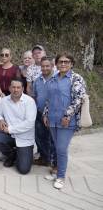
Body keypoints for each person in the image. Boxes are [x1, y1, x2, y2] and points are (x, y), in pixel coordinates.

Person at [43, 53, 86, 189]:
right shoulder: (53, 78)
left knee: (61, 149)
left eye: (66, 62)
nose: (63, 64)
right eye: (60, 61)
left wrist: (67, 116)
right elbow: (48, 98)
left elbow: (79, 99)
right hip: (53, 119)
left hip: (67, 121)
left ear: (71, 64)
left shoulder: (76, 78)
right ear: (56, 64)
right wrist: (45, 114)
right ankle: (57, 173)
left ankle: (61, 177)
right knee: (57, 147)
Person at [0, 79, 37, 174]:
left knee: (23, 170)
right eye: (13, 87)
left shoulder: (29, 101)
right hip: (10, 136)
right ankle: (12, 154)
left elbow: (29, 123)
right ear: (9, 88)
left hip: (24, 138)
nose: (15, 90)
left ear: (23, 89)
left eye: (18, 87)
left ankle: (23, 153)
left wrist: (10, 129)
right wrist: (0, 120)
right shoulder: (4, 101)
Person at [32, 56, 56, 168]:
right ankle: (44, 158)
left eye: (47, 66)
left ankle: (53, 161)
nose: (45, 68)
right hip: (39, 113)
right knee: (39, 137)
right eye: (43, 66)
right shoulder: (37, 81)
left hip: (53, 114)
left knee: (52, 139)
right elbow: (35, 96)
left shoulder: (57, 80)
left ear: (52, 66)